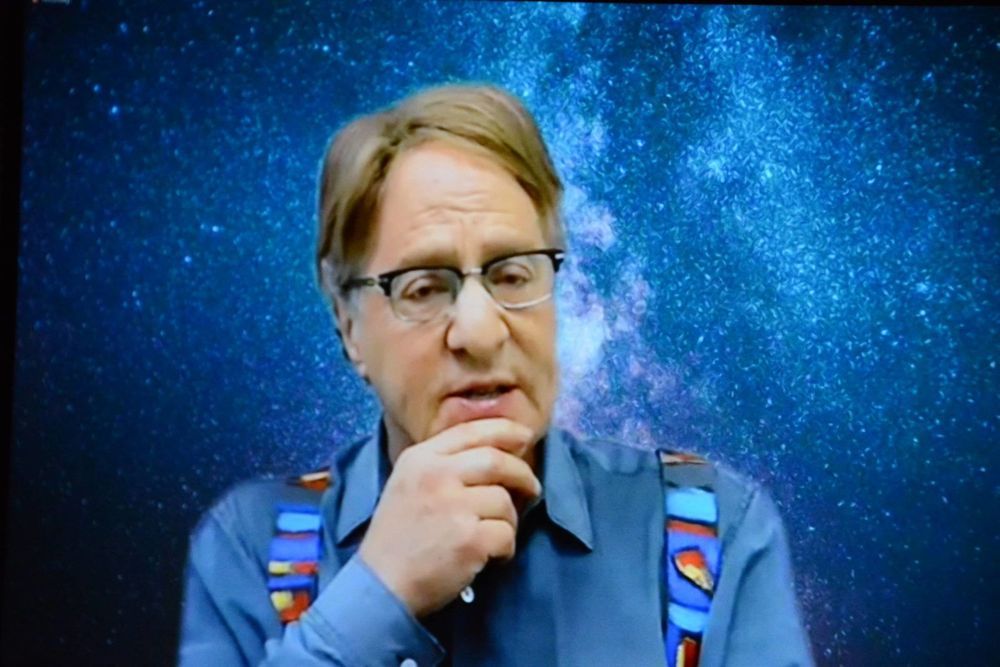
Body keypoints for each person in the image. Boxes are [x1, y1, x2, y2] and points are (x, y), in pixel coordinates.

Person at [178, 83, 814, 666]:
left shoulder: (712, 531)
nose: (480, 333)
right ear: (349, 326)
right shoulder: (251, 548)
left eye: (512, 274)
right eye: (423, 287)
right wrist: (380, 593)